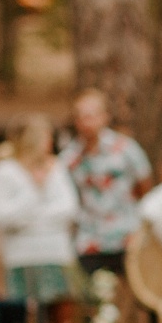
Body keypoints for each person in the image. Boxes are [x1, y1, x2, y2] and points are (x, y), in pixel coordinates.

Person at [0, 112, 83, 311]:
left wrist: (31, 221)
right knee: (26, 316)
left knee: (59, 314)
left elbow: (68, 209)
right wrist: (35, 189)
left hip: (56, 253)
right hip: (22, 257)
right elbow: (2, 218)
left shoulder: (56, 168)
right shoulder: (4, 171)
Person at [61, 88, 153, 278]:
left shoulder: (126, 149)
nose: (87, 122)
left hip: (127, 235)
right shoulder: (69, 158)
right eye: (81, 117)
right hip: (89, 239)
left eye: (92, 116)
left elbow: (145, 186)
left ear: (105, 117)